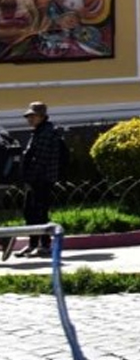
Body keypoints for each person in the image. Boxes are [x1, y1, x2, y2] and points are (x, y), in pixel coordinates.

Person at [15, 100, 66, 259]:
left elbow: (40, 160)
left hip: (42, 179)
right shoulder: (38, 131)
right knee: (30, 212)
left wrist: (30, 178)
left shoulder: (46, 133)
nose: (29, 119)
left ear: (42, 116)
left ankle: (44, 246)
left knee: (39, 213)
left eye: (33, 116)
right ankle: (32, 244)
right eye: (28, 116)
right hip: (36, 179)